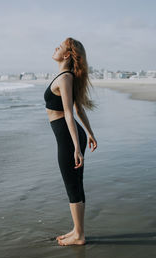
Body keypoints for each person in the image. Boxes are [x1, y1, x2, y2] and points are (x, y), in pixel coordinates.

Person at [44, 37, 97, 246]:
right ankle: (77, 230)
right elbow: (78, 109)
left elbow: (68, 113)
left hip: (68, 139)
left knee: (72, 185)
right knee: (76, 183)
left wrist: (77, 146)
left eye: (60, 47)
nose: (56, 47)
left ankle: (79, 235)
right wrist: (90, 133)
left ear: (67, 55)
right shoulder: (64, 76)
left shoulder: (65, 77)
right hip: (70, 137)